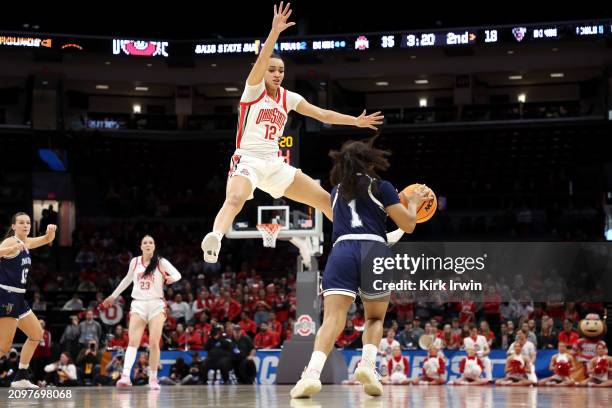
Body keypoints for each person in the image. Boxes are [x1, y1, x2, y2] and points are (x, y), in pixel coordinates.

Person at [201, 1, 384, 263]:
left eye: (281, 70)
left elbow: (322, 114)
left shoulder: (288, 98)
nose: (277, 74)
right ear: (263, 71)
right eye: (272, 70)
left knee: (324, 199)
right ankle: (215, 239)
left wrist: (355, 121)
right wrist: (275, 32)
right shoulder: (253, 90)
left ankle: (362, 236)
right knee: (236, 198)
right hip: (248, 159)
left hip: (275, 164)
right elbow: (262, 59)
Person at [290, 136, 431, 398]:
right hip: (374, 249)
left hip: (343, 249)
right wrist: (412, 202)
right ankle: (367, 365)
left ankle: (311, 374)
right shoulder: (382, 187)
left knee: (332, 318)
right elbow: (409, 224)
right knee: (375, 317)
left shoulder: (335, 193)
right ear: (369, 162)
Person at [102, 235, 182, 389]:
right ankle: (125, 376)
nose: (148, 244)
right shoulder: (135, 262)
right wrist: (113, 296)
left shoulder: (161, 261)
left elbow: (178, 275)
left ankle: (153, 378)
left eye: (151, 242)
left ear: (154, 246)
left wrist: (171, 279)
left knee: (153, 342)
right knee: (132, 342)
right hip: (138, 304)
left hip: (156, 305)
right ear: (141, 246)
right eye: (145, 242)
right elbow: (127, 280)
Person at [0, 212, 57, 388]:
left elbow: (47, 239)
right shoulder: (11, 242)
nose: (25, 225)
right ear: (13, 226)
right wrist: (11, 250)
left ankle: (21, 377)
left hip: (18, 297)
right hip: (6, 295)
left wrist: (51, 231)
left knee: (36, 334)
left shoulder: (27, 242)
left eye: (28, 223)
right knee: (4, 346)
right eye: (21, 223)